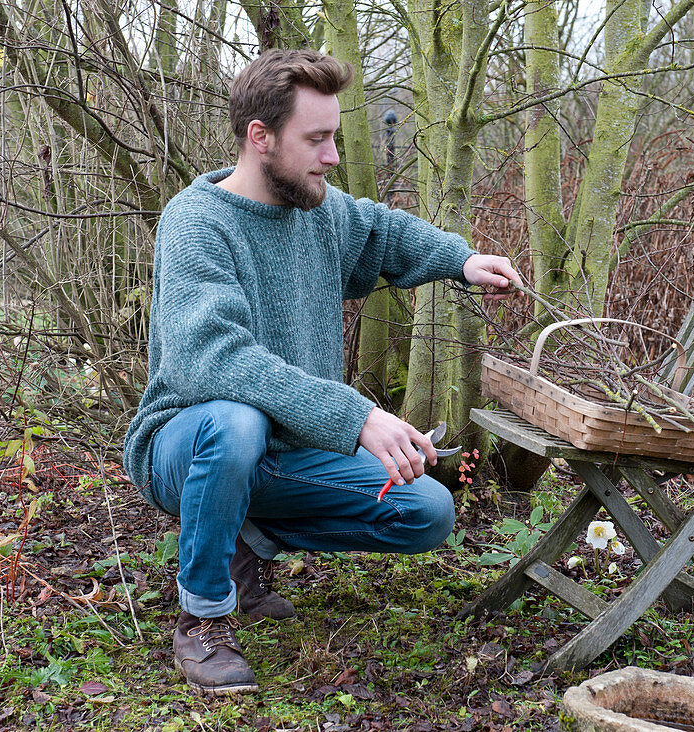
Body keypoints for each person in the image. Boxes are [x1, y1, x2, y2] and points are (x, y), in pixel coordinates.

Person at [122, 48, 522, 696]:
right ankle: (202, 618)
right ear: (261, 137)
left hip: (287, 453)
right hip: (186, 442)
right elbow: (213, 359)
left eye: (333, 136)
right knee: (237, 424)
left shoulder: (319, 211)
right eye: (317, 139)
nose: (332, 155)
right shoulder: (196, 222)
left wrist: (462, 259)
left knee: (427, 510)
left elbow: (385, 233)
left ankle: (245, 534)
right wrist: (355, 415)